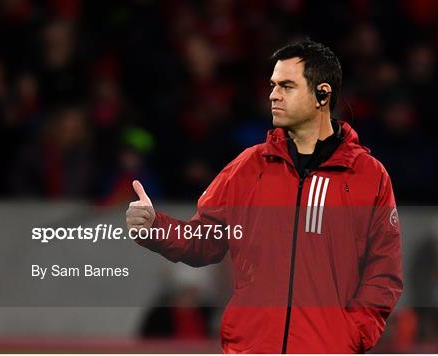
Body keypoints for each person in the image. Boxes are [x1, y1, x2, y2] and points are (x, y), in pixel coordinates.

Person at [126, 39, 403, 353]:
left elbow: (384, 274)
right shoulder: (247, 167)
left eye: (286, 86)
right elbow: (204, 241)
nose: (273, 95)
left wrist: (350, 336)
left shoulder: (368, 176)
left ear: (322, 94)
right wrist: (154, 227)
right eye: (273, 85)